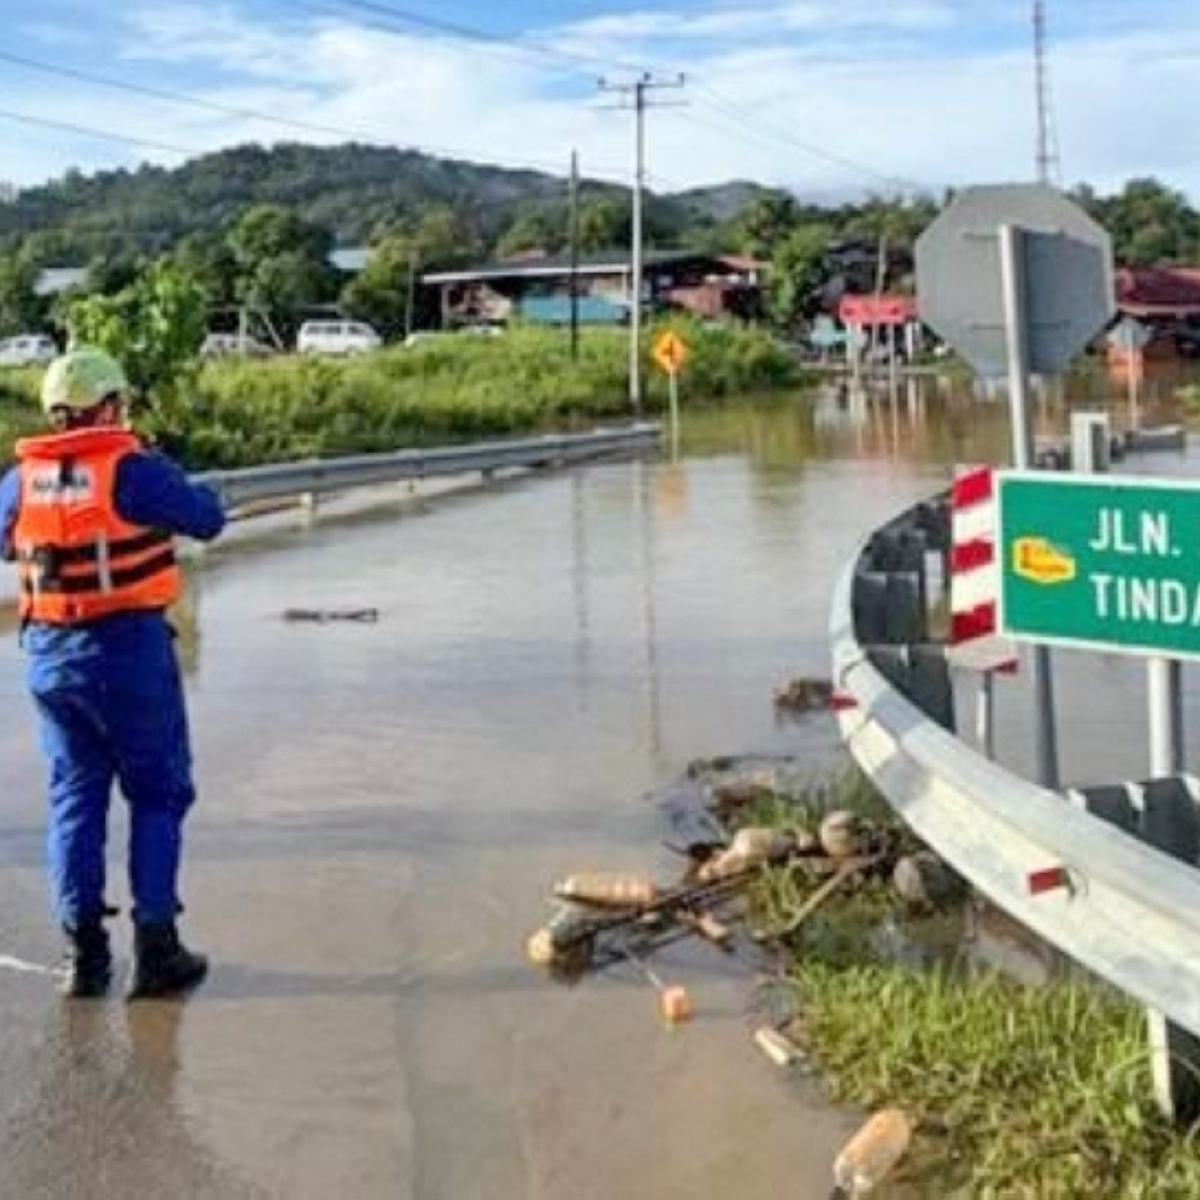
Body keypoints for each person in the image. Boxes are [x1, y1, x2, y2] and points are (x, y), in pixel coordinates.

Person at [0, 346, 226, 999]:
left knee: (74, 797)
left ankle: (84, 958)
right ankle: (157, 951)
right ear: (105, 406)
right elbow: (207, 517)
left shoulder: (20, 480)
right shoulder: (133, 470)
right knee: (157, 795)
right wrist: (169, 470)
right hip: (126, 653)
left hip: (50, 658)